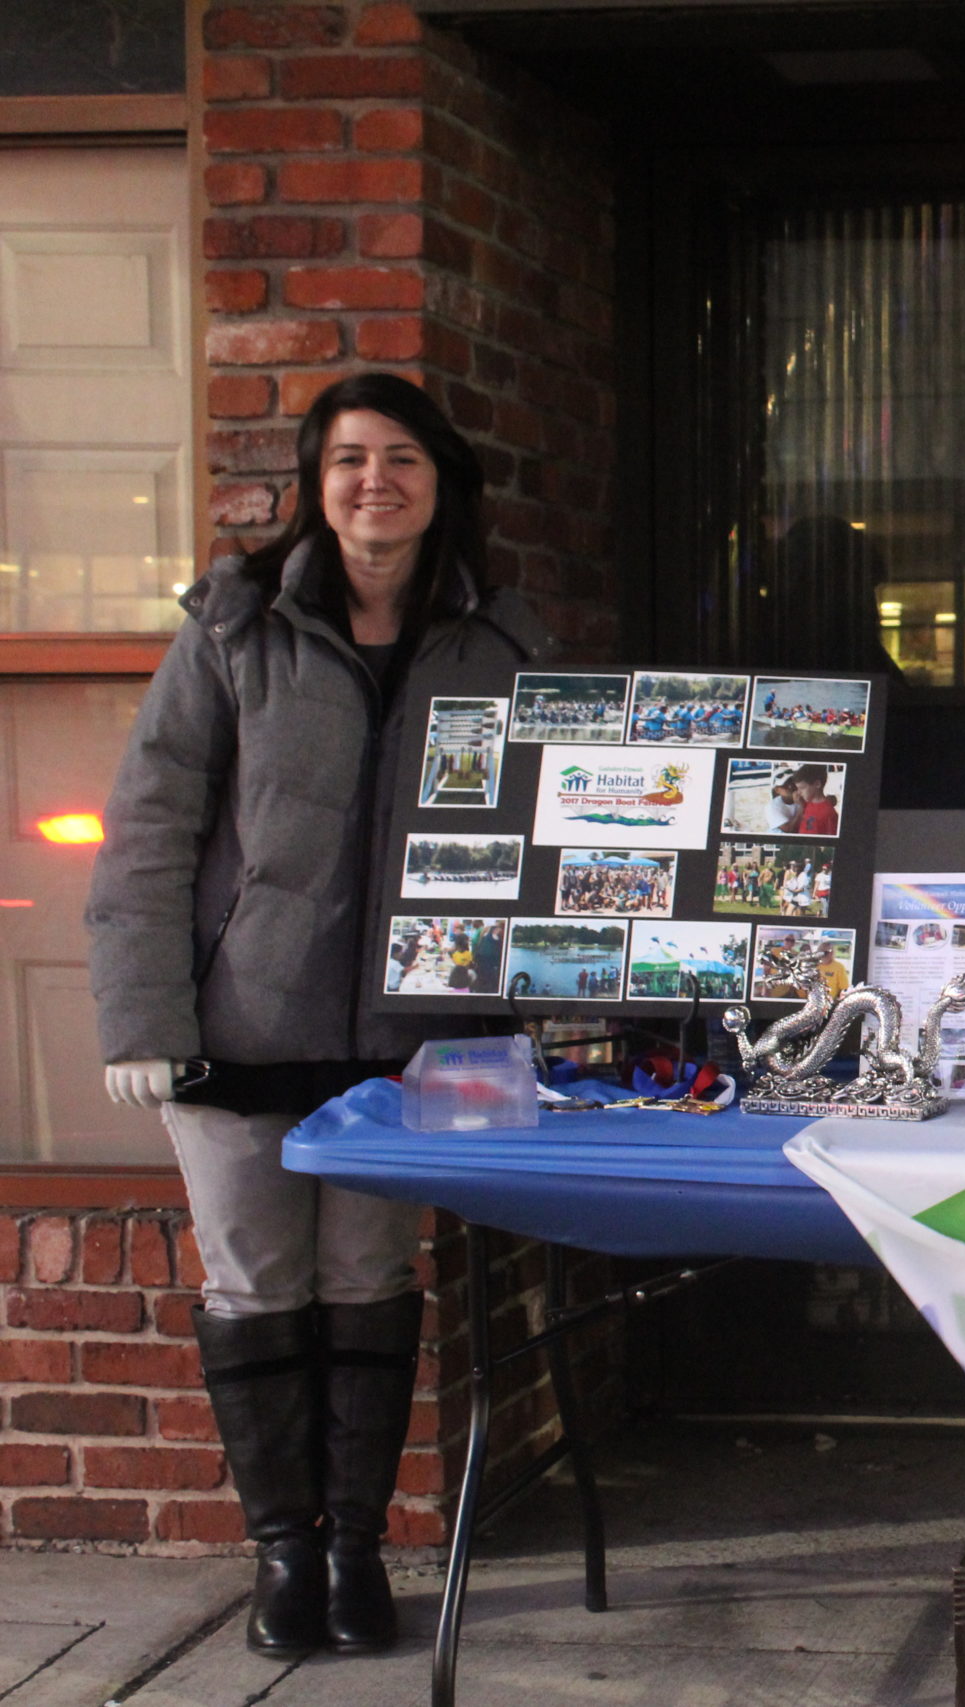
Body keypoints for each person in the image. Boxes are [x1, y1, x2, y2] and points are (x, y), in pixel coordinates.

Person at [87, 375, 551, 1659]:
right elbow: (151, 827)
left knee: (366, 1284)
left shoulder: (501, 644)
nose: (374, 482)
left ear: (441, 482)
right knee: (255, 1287)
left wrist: (538, 1004)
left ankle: (355, 1552)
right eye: (349, 458)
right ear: (315, 482)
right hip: (237, 1029)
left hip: (410, 1040)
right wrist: (142, 1019)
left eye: (402, 457)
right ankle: (282, 1554)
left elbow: (547, 839)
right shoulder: (236, 628)